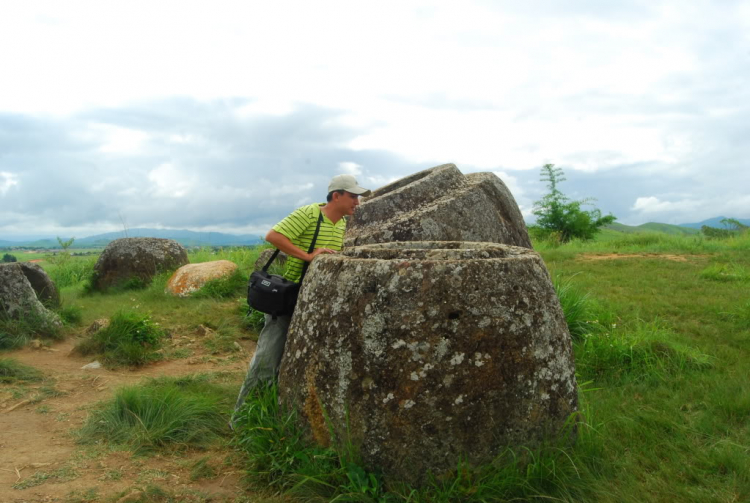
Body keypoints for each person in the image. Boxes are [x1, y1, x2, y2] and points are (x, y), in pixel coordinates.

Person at [233, 174, 371, 417]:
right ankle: (243, 417)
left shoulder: (340, 223)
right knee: (268, 357)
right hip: (290, 296)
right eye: (352, 196)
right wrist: (307, 256)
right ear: (336, 195)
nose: (357, 202)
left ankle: (271, 409)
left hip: (312, 299)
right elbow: (273, 236)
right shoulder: (309, 214)